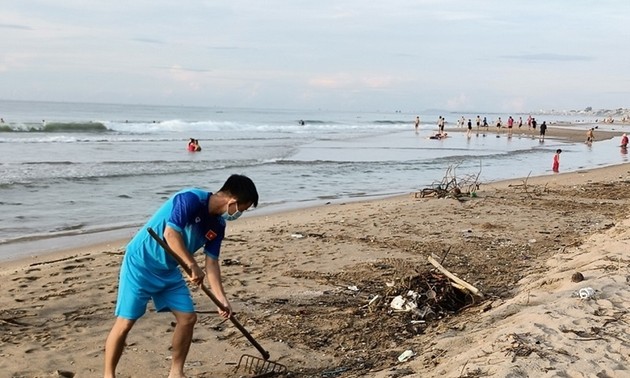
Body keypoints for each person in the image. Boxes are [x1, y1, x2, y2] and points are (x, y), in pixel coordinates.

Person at [104, 175, 259, 378]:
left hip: (168, 270)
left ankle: (176, 373)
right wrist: (192, 265)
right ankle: (109, 375)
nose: (239, 214)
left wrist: (222, 299)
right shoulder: (190, 199)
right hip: (140, 264)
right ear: (232, 202)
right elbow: (171, 234)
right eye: (242, 209)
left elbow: (211, 263)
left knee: (188, 318)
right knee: (125, 323)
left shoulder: (218, 226)